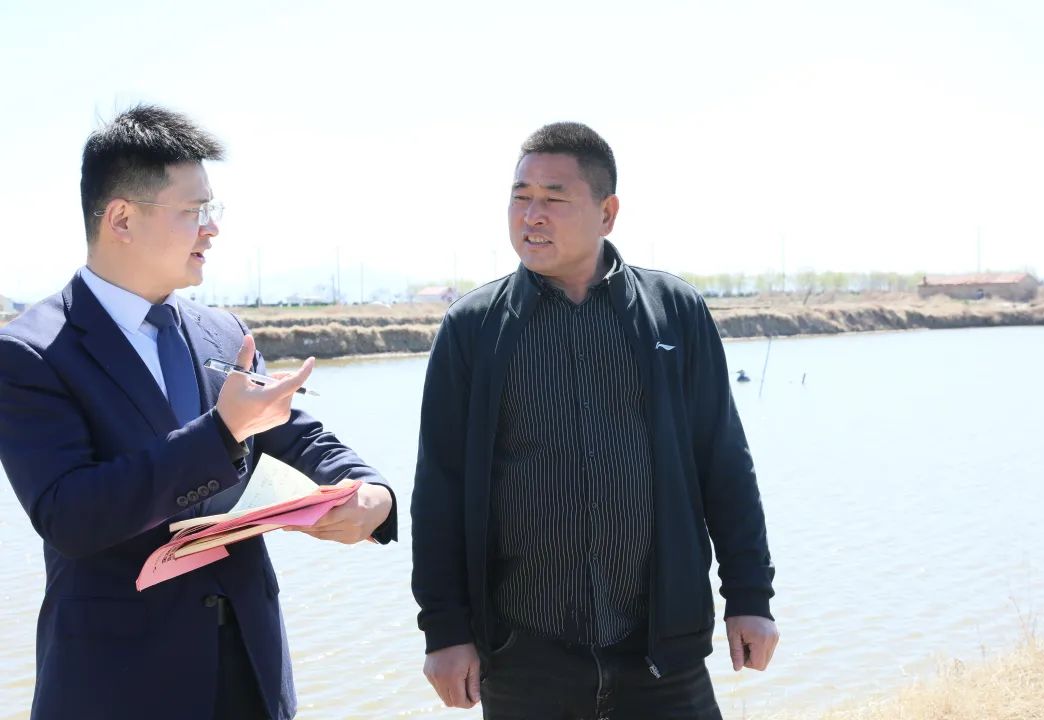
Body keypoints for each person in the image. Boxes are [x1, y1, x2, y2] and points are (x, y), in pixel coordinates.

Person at [0, 105, 396, 720]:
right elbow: (69, 515)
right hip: (118, 687)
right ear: (122, 218)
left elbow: (293, 434)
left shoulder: (223, 331)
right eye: (194, 211)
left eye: (213, 210)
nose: (212, 230)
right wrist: (222, 432)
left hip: (251, 674)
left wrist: (370, 490)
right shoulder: (31, 352)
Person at [412, 122, 778, 719]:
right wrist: (445, 630)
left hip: (662, 649)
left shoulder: (673, 312)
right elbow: (440, 490)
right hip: (523, 653)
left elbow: (723, 463)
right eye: (520, 196)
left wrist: (750, 596)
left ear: (607, 213)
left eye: (553, 198)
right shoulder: (474, 329)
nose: (531, 215)